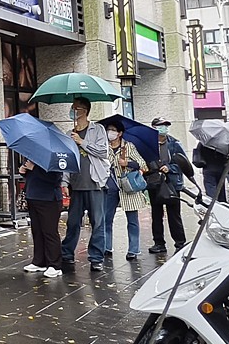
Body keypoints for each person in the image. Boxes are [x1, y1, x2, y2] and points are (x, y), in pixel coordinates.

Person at [60, 97, 111, 272]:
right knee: (73, 222)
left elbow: (103, 151)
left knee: (97, 222)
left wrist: (82, 142)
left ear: (85, 111)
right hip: (76, 185)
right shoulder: (69, 133)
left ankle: (96, 257)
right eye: (72, 108)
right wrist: (64, 181)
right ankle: (66, 253)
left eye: (76, 108)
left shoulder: (98, 129)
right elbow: (66, 159)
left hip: (95, 183)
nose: (73, 111)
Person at [104, 119, 149, 261]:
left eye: (113, 130)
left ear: (120, 133)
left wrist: (127, 163)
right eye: (108, 130)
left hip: (127, 187)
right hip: (110, 186)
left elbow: (143, 164)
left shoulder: (128, 146)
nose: (110, 133)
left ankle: (133, 249)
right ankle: (106, 247)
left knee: (132, 220)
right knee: (106, 218)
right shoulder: (104, 146)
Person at [147, 117, 188, 254]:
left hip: (172, 184)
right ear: (153, 128)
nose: (163, 128)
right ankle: (159, 243)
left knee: (174, 215)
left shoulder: (174, 143)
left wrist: (169, 168)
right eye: (160, 125)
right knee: (156, 214)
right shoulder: (148, 144)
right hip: (155, 183)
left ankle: (180, 243)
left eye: (165, 125)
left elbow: (183, 163)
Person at [19, 159, 64, 278]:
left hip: (49, 199)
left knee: (49, 232)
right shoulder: (32, 156)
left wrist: (34, 168)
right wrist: (23, 171)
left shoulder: (53, 157)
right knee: (37, 231)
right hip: (33, 196)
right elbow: (31, 176)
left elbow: (55, 178)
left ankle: (55, 265)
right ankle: (39, 261)